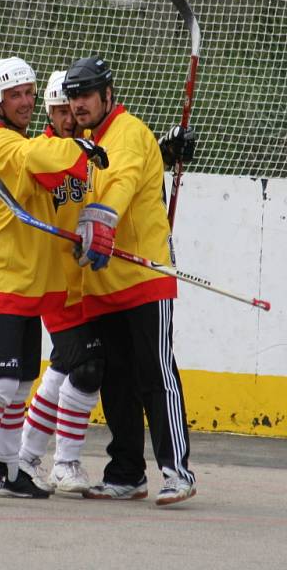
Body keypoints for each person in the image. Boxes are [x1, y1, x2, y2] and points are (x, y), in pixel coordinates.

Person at [0, 56, 109, 506]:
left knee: (21, 385)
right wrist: (83, 146)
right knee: (0, 386)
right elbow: (37, 156)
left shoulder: (16, 142)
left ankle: (8, 469)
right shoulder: (4, 143)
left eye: (27, 92)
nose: (24, 101)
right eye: (14, 95)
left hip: (29, 287)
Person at [61, 55, 197, 506]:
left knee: (154, 373)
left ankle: (177, 471)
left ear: (107, 95)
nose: (78, 104)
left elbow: (122, 179)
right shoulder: (79, 141)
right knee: (116, 381)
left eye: (86, 95)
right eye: (73, 96)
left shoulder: (129, 131)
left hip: (143, 275)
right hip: (101, 280)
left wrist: (103, 218)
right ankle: (126, 473)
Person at [18, 70, 103, 494]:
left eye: (72, 109)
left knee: (67, 365)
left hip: (91, 282)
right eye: (58, 110)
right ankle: (65, 463)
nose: (68, 117)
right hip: (56, 282)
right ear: (47, 113)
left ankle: (25, 456)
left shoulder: (93, 150)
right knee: (86, 365)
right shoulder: (44, 151)